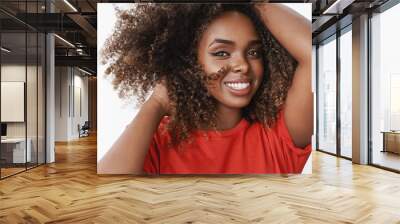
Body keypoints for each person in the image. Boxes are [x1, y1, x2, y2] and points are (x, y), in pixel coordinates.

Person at [99, 3, 313, 174]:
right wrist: (155, 103)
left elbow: (313, 54)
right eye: (221, 53)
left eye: (254, 52)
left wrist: (254, 4)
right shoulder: (159, 140)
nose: (243, 65)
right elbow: (109, 196)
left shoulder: (278, 134)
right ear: (189, 62)